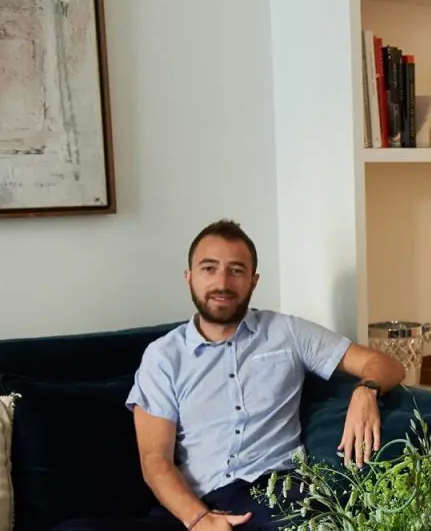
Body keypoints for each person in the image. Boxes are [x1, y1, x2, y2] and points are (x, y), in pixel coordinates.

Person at [57, 219, 406, 531]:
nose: (222, 282)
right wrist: (200, 520)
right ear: (189, 277)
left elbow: (387, 364)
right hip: (193, 507)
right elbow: (155, 461)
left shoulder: (287, 332)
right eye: (209, 269)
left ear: (253, 281)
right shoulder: (163, 356)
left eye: (236, 270)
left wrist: (366, 391)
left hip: (275, 498)